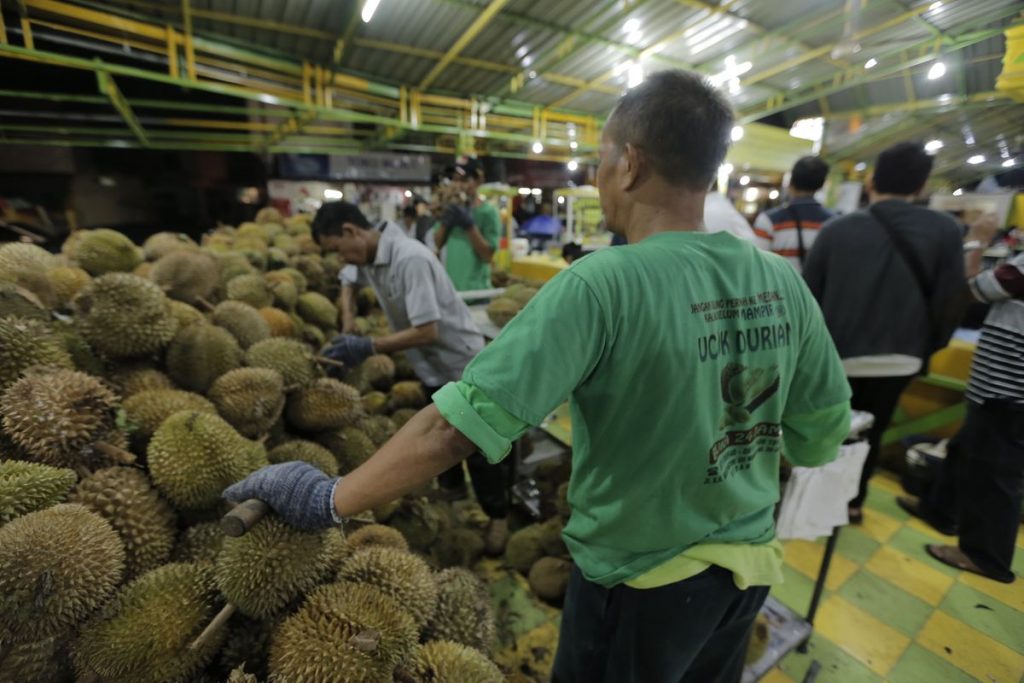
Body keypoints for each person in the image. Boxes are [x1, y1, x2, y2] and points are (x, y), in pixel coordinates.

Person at [224, 70, 851, 682]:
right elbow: (819, 438)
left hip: (639, 581)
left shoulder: (603, 283)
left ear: (629, 164)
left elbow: (454, 428)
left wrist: (329, 498)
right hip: (748, 574)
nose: (598, 178)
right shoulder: (780, 282)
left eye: (601, 161)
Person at [314, 201, 511, 552]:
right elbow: (348, 281)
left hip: (459, 364)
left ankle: (499, 517)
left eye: (337, 249)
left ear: (350, 231)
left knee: (480, 446)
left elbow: (427, 331)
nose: (341, 259)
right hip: (429, 366)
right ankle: (452, 488)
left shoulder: (410, 258)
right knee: (441, 434)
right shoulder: (368, 254)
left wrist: (367, 346)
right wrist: (347, 324)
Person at [803, 142, 967, 523]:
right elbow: (952, 299)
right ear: (923, 184)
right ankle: (852, 502)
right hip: (902, 356)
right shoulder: (945, 230)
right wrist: (928, 347)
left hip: (837, 355)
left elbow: (808, 300)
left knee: (826, 429)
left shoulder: (837, 229)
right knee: (873, 432)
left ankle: (811, 502)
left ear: (872, 179)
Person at [898, 215, 1021, 584]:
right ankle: (939, 511)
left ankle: (985, 555)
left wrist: (977, 241)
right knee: (965, 452)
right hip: (998, 388)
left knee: (997, 475)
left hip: (1009, 391)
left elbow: (969, 286)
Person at [753, 156, 833, 272]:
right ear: (821, 185)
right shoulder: (833, 223)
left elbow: (758, 265)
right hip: (814, 290)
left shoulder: (768, 220)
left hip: (779, 288)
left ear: (791, 182)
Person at [434, 159, 503, 292]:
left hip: (476, 292)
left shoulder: (488, 212)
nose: (458, 185)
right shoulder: (450, 209)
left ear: (478, 181)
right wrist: (445, 222)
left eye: (464, 180)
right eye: (455, 180)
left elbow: (487, 256)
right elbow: (438, 243)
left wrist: (469, 226)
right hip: (451, 290)